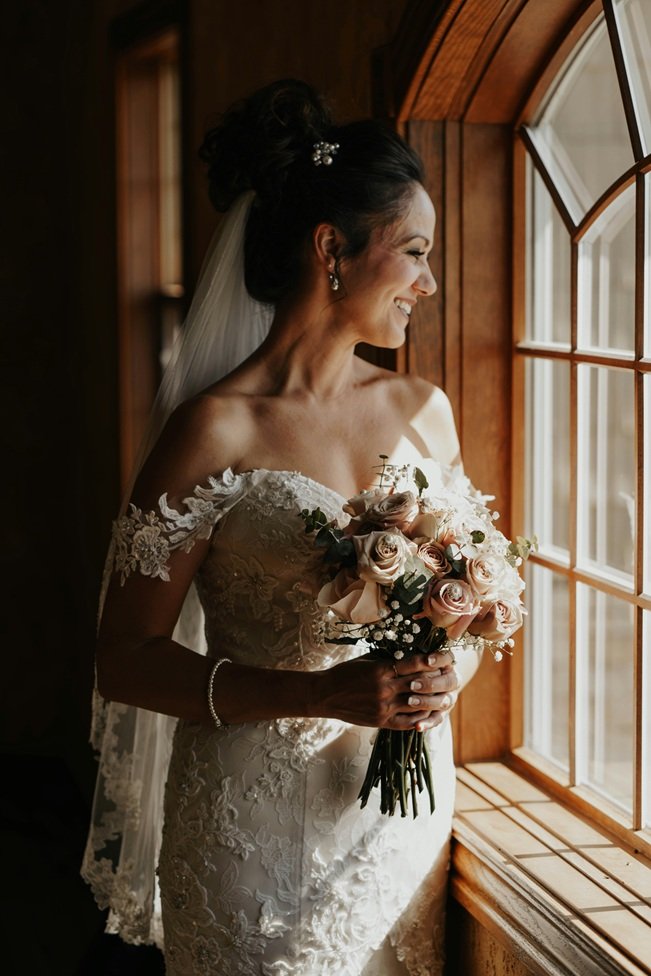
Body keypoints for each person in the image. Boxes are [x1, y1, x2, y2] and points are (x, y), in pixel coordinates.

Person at [82, 78, 482, 975]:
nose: (429, 281)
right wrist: (319, 697)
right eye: (413, 251)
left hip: (396, 827)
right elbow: (123, 656)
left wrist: (447, 662)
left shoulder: (426, 410)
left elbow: (469, 600)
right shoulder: (214, 430)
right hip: (247, 829)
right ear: (329, 248)